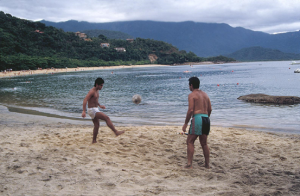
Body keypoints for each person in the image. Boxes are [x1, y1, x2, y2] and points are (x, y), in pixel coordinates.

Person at [82, 78, 124, 143]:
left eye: (102, 85)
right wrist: (84, 111)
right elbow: (85, 100)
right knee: (107, 118)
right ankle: (116, 132)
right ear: (97, 84)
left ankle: (94, 140)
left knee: (96, 125)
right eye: (101, 85)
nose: (102, 87)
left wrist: (99, 105)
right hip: (92, 109)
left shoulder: (97, 90)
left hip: (94, 109)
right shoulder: (92, 91)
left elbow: (95, 100)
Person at [182, 77, 212, 169]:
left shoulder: (192, 95)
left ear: (191, 85)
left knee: (190, 141)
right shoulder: (205, 94)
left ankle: (189, 164)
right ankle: (207, 164)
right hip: (206, 118)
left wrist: (186, 123)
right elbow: (210, 109)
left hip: (198, 118)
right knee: (204, 143)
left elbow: (190, 110)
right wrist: (206, 118)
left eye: (189, 85)